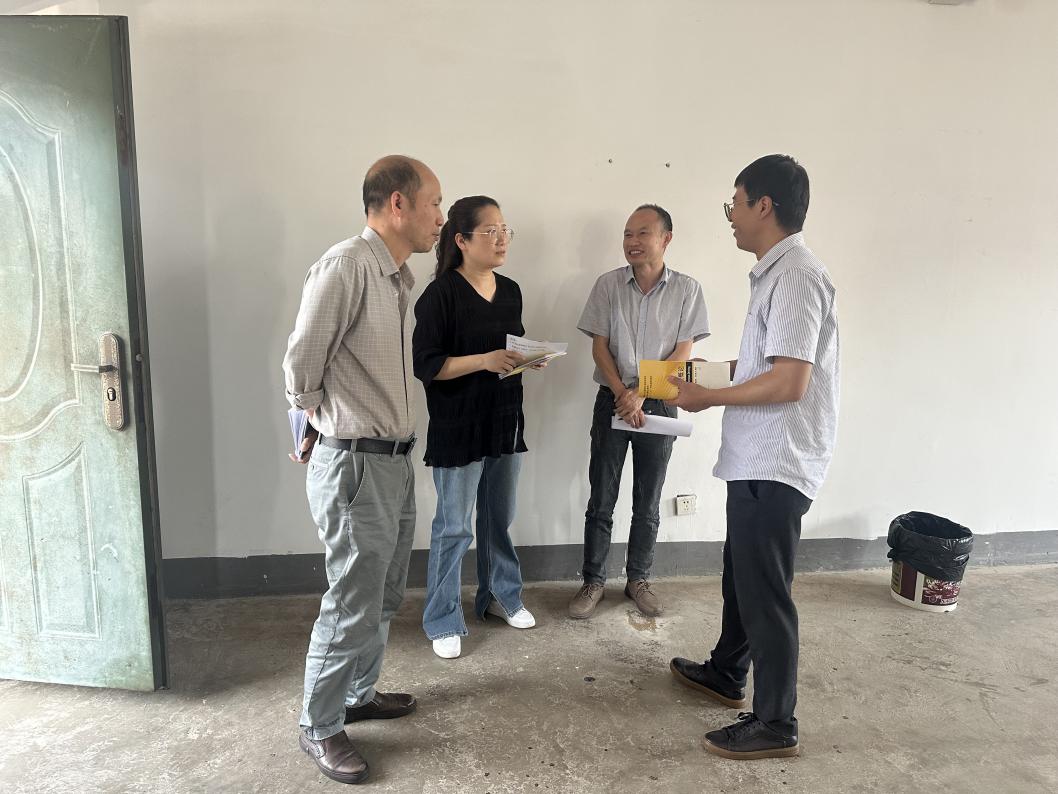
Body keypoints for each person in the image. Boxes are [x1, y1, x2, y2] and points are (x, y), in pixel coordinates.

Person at [666, 154, 840, 760]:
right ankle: (726, 671)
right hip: (754, 457)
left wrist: (708, 396)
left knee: (765, 592)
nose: (731, 217)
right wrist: (709, 374)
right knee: (740, 576)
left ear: (763, 205)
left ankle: (775, 722)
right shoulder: (773, 275)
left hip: (778, 458)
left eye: (734, 204)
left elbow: (790, 381)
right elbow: (769, 361)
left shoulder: (797, 276)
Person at [282, 155, 443, 784]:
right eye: (434, 202)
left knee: (384, 593)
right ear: (398, 203)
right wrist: (312, 420)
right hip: (354, 465)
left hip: (392, 461)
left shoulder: (396, 278)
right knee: (352, 600)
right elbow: (301, 364)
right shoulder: (346, 265)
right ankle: (318, 724)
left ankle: (357, 695)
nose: (440, 216)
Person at [568, 204, 710, 620]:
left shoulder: (688, 290)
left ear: (666, 239)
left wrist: (641, 394)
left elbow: (683, 352)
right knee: (601, 496)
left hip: (660, 402)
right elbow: (599, 346)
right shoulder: (608, 285)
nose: (632, 241)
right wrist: (623, 393)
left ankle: (638, 580)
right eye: (628, 234)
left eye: (642, 233)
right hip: (611, 400)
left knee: (647, 500)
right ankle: (593, 581)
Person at [412, 195, 538, 660]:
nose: (502, 239)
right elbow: (427, 366)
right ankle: (442, 617)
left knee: (498, 518)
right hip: (458, 425)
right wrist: (484, 360)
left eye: (505, 230)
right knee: (453, 528)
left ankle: (500, 595)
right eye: (490, 231)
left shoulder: (511, 291)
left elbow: (507, 350)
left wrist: (527, 359)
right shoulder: (439, 295)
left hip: (504, 419)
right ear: (462, 240)